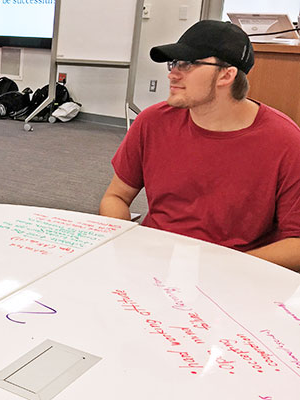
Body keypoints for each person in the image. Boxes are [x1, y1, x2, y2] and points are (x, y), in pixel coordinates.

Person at [99, 20, 300, 272]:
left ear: (227, 75)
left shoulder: (286, 142)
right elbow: (115, 197)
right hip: (154, 265)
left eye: (188, 63)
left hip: (234, 277)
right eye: (174, 63)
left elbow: (297, 245)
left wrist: (225, 268)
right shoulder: (152, 122)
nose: (172, 73)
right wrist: (127, 244)